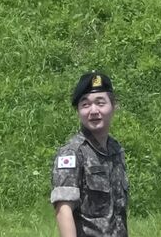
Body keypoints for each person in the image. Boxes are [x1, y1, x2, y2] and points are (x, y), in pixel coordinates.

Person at [51, 71, 129, 237]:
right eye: (85, 105)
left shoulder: (116, 150)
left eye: (100, 103)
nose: (93, 111)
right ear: (78, 111)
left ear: (113, 106)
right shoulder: (72, 153)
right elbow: (63, 209)